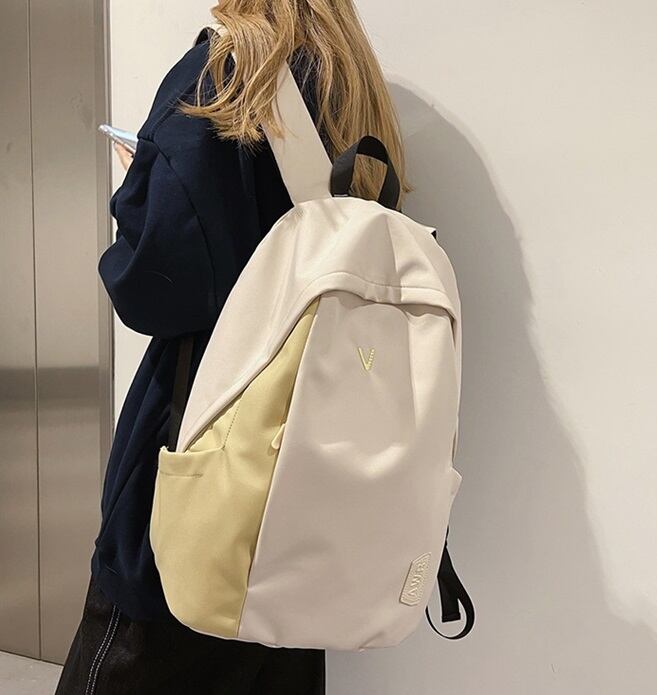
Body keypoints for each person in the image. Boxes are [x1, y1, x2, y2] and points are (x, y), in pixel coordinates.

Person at [55, 1, 407, 693]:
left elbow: (153, 289)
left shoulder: (224, 72)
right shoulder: (352, 85)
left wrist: (138, 186)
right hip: (314, 477)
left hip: (207, 448)